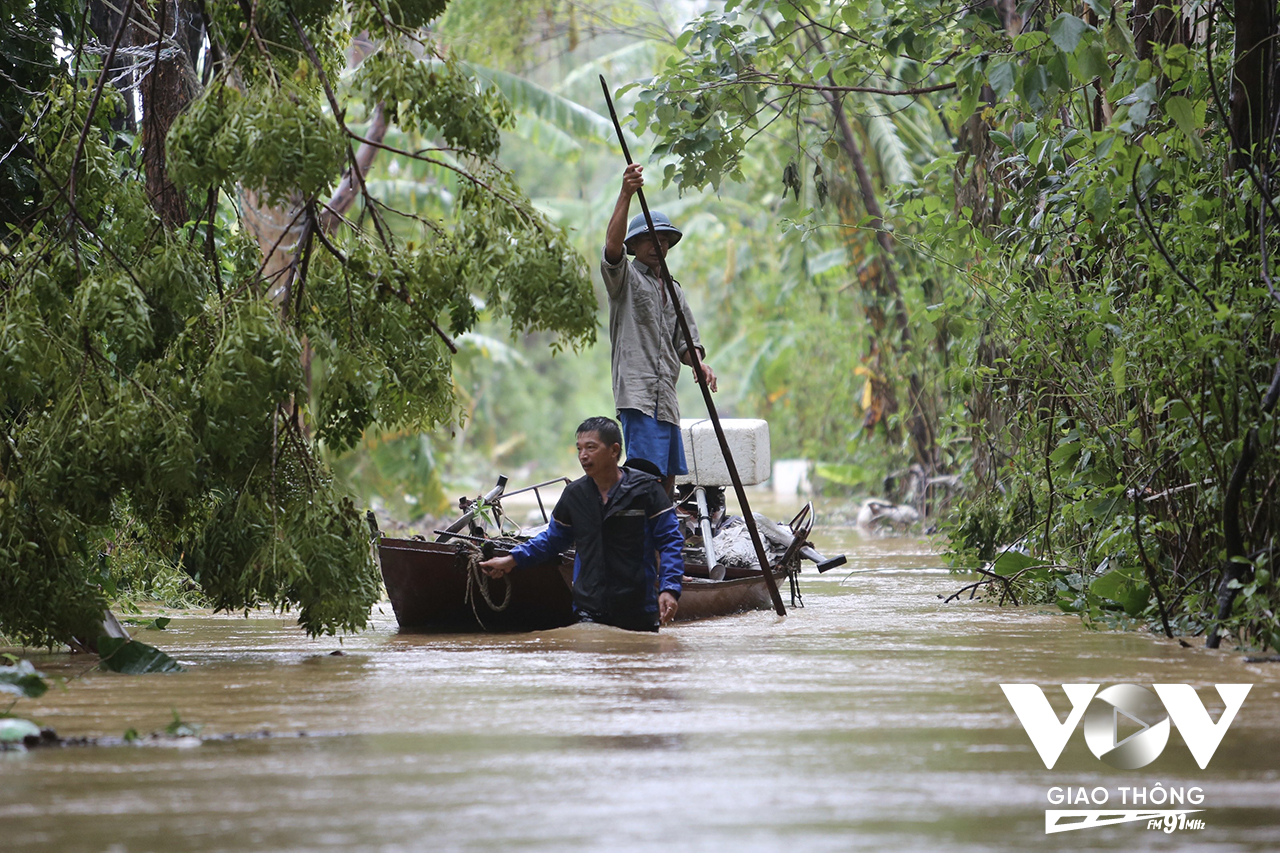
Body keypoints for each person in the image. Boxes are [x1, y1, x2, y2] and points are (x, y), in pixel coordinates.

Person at [479, 416, 684, 631]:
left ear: (614, 450)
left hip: (638, 608)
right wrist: (511, 560)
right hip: (589, 607)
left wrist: (669, 588)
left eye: (591, 448)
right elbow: (553, 540)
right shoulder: (575, 495)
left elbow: (670, 542)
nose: (583, 456)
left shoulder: (646, 491)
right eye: (579, 449)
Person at [602, 163, 718, 496]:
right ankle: (641, 540)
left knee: (668, 476)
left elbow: (686, 341)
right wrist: (626, 193)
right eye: (648, 240)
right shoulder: (625, 278)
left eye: (663, 240)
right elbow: (611, 250)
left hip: (666, 397)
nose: (657, 246)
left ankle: (664, 538)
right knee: (644, 475)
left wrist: (698, 362)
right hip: (637, 394)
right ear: (634, 246)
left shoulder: (673, 288)